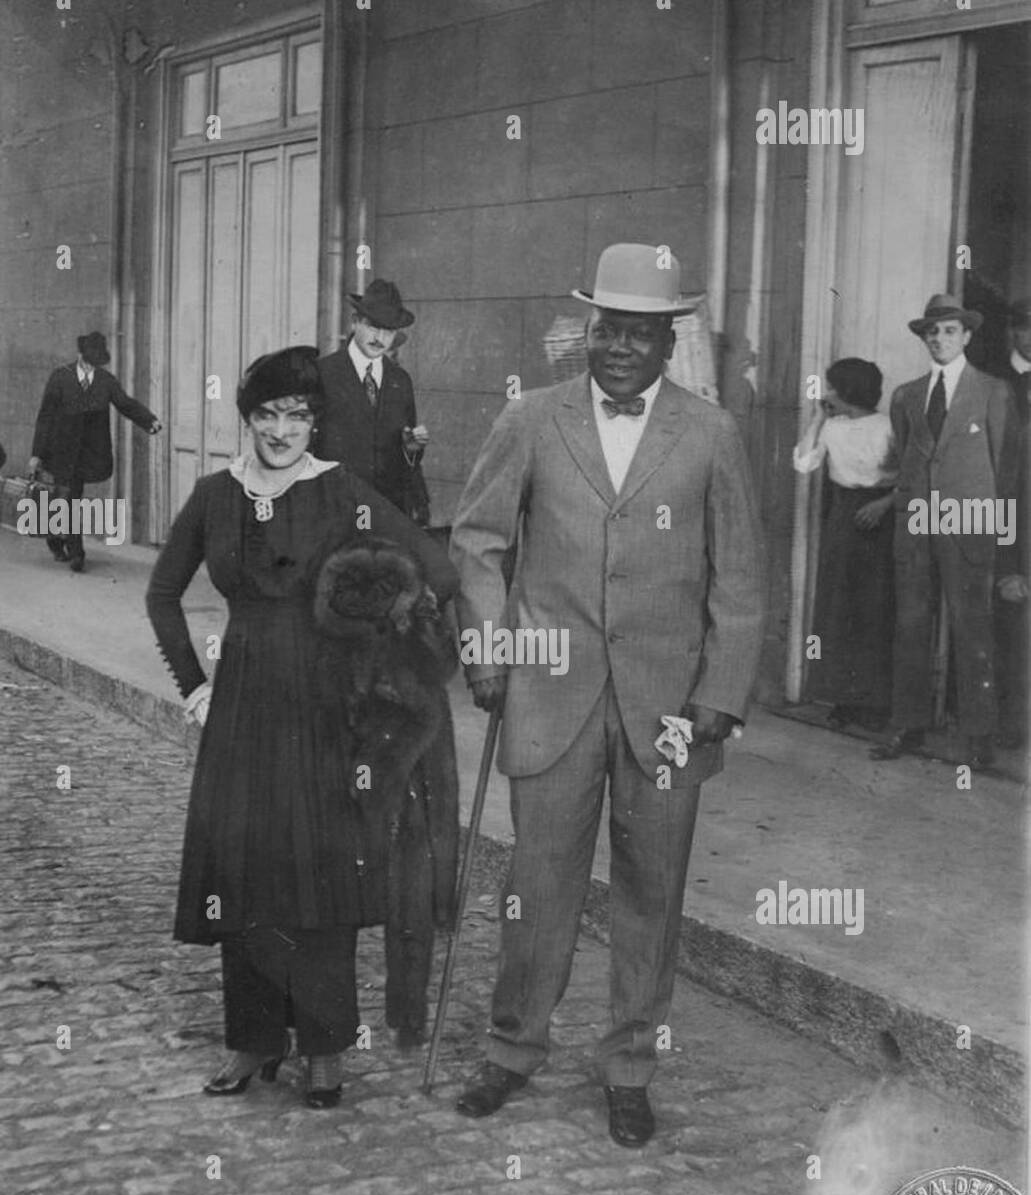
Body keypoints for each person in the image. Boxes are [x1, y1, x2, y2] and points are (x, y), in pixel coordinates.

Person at [448, 243, 765, 1147]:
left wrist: (720, 691)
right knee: (535, 885)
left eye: (640, 332)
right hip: (549, 695)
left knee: (650, 890)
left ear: (669, 342)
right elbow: (474, 540)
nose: (620, 347)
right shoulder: (531, 419)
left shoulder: (711, 434)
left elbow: (738, 580)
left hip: (666, 712)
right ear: (585, 332)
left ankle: (630, 1068)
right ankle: (511, 1052)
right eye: (607, 328)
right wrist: (485, 649)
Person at [145, 346, 457, 1108]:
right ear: (246, 418)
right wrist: (194, 692)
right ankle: (254, 1041)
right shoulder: (215, 495)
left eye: (298, 416)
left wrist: (380, 634)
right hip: (242, 705)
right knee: (246, 873)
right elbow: (161, 595)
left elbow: (427, 566)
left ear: (315, 422)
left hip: (325, 711)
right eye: (267, 415)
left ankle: (325, 1049)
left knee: (322, 877)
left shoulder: (340, 490)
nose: (282, 430)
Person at [870, 293, 1016, 769]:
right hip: (916, 519)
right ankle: (906, 725)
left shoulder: (993, 391)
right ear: (924, 338)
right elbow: (910, 456)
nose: (939, 338)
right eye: (932, 331)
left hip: (970, 521)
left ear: (967, 336)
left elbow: (1007, 468)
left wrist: (1004, 539)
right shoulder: (907, 395)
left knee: (972, 626)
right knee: (910, 623)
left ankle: (978, 734)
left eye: (950, 330)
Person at [793, 358, 897, 731]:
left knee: (875, 608)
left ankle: (875, 703)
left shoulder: (888, 426)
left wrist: (886, 504)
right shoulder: (832, 427)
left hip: (881, 517)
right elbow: (804, 463)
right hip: (843, 516)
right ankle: (842, 697)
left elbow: (915, 474)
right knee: (838, 606)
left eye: (833, 387)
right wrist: (819, 419)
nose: (828, 393)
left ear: (849, 390)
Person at [28, 331, 161, 571]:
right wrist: (36, 454)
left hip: (87, 453)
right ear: (79, 355)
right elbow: (45, 417)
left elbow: (125, 403)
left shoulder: (106, 380)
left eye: (95, 362)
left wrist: (149, 420)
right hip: (61, 451)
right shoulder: (60, 377)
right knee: (69, 498)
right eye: (88, 360)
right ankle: (77, 553)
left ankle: (56, 538)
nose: (91, 367)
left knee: (68, 498)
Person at [317, 280, 432, 526]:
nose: (380, 338)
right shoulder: (322, 374)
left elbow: (405, 457)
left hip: (387, 517)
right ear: (354, 321)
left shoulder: (400, 381)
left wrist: (410, 450)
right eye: (373, 326)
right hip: (335, 516)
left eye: (389, 331)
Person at [992, 298, 1031, 748]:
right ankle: (1009, 727)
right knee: (1010, 632)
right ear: (1013, 332)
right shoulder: (989, 381)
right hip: (1009, 518)